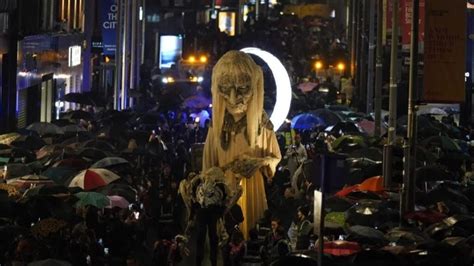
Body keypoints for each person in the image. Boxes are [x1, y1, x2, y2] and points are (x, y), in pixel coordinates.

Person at [202, 50, 282, 238]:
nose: (233, 98)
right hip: (223, 191)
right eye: (225, 89)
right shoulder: (217, 126)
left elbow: (275, 158)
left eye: (242, 89)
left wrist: (258, 163)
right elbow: (207, 166)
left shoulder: (262, 124)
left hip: (252, 187)